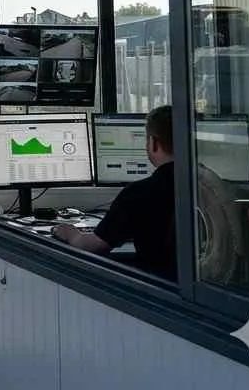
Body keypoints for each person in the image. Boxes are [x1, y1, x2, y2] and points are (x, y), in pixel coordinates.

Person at [52, 105, 176, 280]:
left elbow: (93, 247)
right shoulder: (209, 187)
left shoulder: (139, 193)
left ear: (153, 143)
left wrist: (70, 233)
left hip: (159, 291)